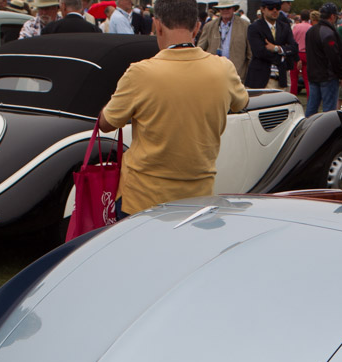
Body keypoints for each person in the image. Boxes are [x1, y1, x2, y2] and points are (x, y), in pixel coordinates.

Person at [98, 0, 249, 215]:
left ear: (157, 25)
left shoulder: (139, 73)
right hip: (198, 197)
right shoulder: (224, 69)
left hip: (142, 200)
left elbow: (106, 123)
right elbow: (242, 102)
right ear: (197, 27)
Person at [244, 0, 298, 89]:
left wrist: (277, 48)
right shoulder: (254, 27)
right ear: (262, 9)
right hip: (260, 79)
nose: (274, 10)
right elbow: (259, 52)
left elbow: (294, 47)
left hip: (281, 79)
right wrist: (282, 57)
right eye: (270, 8)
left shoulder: (285, 26)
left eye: (277, 7)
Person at [304, 2, 342, 116]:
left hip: (313, 74)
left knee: (311, 108)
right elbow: (334, 56)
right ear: (332, 16)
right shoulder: (328, 32)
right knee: (329, 110)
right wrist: (341, 74)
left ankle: (307, 129)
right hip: (327, 76)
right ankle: (327, 132)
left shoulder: (310, 31)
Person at [197, 1, 251, 81]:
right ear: (219, 10)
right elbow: (200, 50)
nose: (225, 10)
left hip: (237, 76)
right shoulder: (209, 26)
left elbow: (250, 54)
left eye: (228, 8)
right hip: (213, 76)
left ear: (233, 9)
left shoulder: (245, 26)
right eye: (222, 8)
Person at [289, 10, 313, 94]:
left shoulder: (296, 27)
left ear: (300, 17)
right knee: (307, 79)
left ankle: (293, 95)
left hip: (297, 53)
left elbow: (292, 40)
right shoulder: (311, 27)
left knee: (294, 78)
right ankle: (310, 97)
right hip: (307, 54)